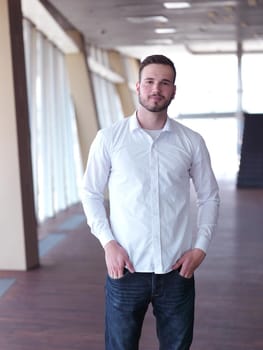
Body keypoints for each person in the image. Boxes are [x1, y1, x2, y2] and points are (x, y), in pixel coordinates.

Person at [81, 54, 220, 350]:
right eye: (150, 81)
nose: (156, 88)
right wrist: (108, 243)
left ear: (173, 90)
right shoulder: (109, 139)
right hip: (125, 269)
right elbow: (90, 193)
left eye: (164, 82)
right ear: (138, 86)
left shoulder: (191, 141)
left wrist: (201, 248)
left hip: (177, 270)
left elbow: (209, 196)